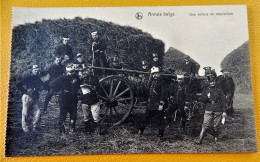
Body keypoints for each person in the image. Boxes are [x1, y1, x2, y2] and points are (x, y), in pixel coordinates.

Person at [49, 64, 80, 135]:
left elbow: (79, 84)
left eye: (73, 71)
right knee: (63, 114)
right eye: (69, 72)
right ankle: (61, 130)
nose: (71, 73)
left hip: (73, 97)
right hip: (64, 97)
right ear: (66, 72)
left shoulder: (76, 77)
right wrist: (59, 89)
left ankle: (72, 128)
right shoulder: (62, 77)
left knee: (74, 114)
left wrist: (76, 86)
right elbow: (51, 84)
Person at [197, 76, 227, 145]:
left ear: (215, 82)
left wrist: (224, 111)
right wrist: (207, 97)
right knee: (205, 125)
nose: (212, 83)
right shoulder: (206, 89)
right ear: (208, 82)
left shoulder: (219, 90)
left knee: (216, 126)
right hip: (208, 109)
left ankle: (216, 141)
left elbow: (223, 101)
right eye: (210, 81)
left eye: (213, 81)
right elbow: (202, 100)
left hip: (218, 109)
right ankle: (200, 141)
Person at [138, 67, 168, 138]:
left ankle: (161, 135)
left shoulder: (162, 82)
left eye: (156, 74)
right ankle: (141, 130)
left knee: (160, 120)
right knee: (145, 117)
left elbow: (163, 94)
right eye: (153, 74)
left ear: (159, 74)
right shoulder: (153, 81)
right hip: (151, 104)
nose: (154, 75)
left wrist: (161, 104)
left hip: (158, 105)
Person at [16, 64, 46, 132]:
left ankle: (35, 125)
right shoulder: (28, 77)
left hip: (35, 97)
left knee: (38, 112)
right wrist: (25, 91)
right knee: (25, 113)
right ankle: (25, 128)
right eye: (35, 70)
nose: (36, 71)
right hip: (27, 97)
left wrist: (43, 87)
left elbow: (42, 85)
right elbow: (18, 84)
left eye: (37, 70)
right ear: (32, 70)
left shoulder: (38, 78)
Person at [79, 68, 102, 135]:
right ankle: (88, 131)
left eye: (87, 71)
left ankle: (98, 131)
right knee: (86, 116)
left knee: (96, 116)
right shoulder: (81, 79)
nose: (85, 73)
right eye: (84, 71)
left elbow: (98, 88)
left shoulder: (94, 78)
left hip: (93, 99)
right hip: (85, 100)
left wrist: (92, 88)